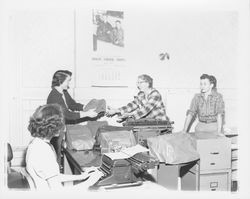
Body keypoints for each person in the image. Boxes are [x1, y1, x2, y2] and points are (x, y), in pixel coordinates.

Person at [26, 104, 103, 190]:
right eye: (61, 124)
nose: (64, 129)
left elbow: (54, 176)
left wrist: (82, 177)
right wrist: (89, 182)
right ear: (51, 126)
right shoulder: (44, 152)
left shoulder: (36, 144)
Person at [47, 70, 98, 166]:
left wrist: (86, 108)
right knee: (56, 155)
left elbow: (71, 104)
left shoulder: (63, 92)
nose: (69, 83)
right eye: (68, 81)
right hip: (54, 130)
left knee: (61, 152)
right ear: (60, 81)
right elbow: (67, 115)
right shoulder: (54, 96)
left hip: (61, 128)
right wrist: (86, 114)